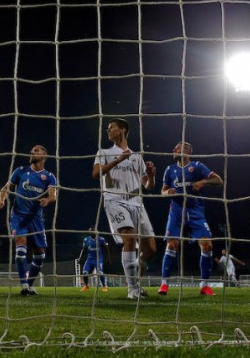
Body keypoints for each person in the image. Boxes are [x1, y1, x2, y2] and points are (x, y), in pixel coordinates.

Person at [92, 118, 157, 300]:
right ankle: (132, 289)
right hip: (114, 201)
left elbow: (148, 185)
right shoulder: (104, 152)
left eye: (110, 128)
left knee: (151, 249)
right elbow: (96, 174)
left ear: (121, 130)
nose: (108, 131)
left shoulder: (137, 157)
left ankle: (135, 281)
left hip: (137, 203)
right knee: (129, 238)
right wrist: (118, 160)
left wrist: (151, 176)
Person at [158, 141, 224, 296]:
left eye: (177, 147)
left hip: (195, 212)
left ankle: (204, 285)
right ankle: (164, 284)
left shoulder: (198, 166)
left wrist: (203, 181)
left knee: (207, 245)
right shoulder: (170, 169)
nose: (173, 149)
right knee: (172, 245)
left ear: (187, 151)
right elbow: (163, 190)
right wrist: (168, 193)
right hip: (176, 211)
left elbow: (219, 180)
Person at [0, 145, 57, 296]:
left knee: (40, 255)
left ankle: (29, 285)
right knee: (20, 249)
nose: (32, 152)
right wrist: (1, 200)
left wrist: (47, 200)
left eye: (36, 151)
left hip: (36, 218)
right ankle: (23, 284)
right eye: (32, 150)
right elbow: (5, 188)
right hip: (18, 216)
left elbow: (53, 196)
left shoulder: (49, 176)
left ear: (44, 156)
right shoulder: (20, 171)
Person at [76, 226, 111, 292]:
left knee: (100, 272)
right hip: (89, 260)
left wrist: (108, 258)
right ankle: (86, 285)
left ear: (96, 232)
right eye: (90, 231)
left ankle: (104, 286)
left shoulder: (101, 239)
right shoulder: (86, 240)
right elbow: (83, 249)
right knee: (84, 272)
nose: (91, 232)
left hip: (98, 259)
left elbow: (106, 248)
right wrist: (80, 258)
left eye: (93, 231)